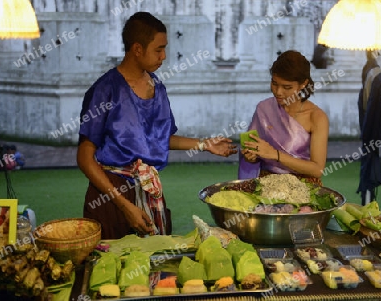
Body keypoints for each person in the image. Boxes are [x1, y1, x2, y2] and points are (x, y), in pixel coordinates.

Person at [77, 12, 237, 240]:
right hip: (110, 195)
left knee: (155, 266)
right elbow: (84, 158)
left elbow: (161, 138)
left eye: (165, 49)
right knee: (112, 266)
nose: (164, 56)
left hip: (148, 189)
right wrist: (124, 205)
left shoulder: (157, 86)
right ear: (137, 49)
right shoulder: (105, 90)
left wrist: (205, 144)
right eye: (158, 49)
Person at [238, 50, 329, 186]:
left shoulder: (316, 117)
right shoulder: (264, 108)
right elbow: (252, 148)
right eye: (274, 84)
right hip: (267, 185)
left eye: (287, 87)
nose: (278, 92)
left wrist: (275, 154)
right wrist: (251, 157)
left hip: (303, 187)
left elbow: (317, 169)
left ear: (303, 84)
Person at [356, 50, 381, 205]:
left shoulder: (374, 75)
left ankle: (368, 200)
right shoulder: (372, 74)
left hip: (370, 134)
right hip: (370, 134)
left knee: (369, 160)